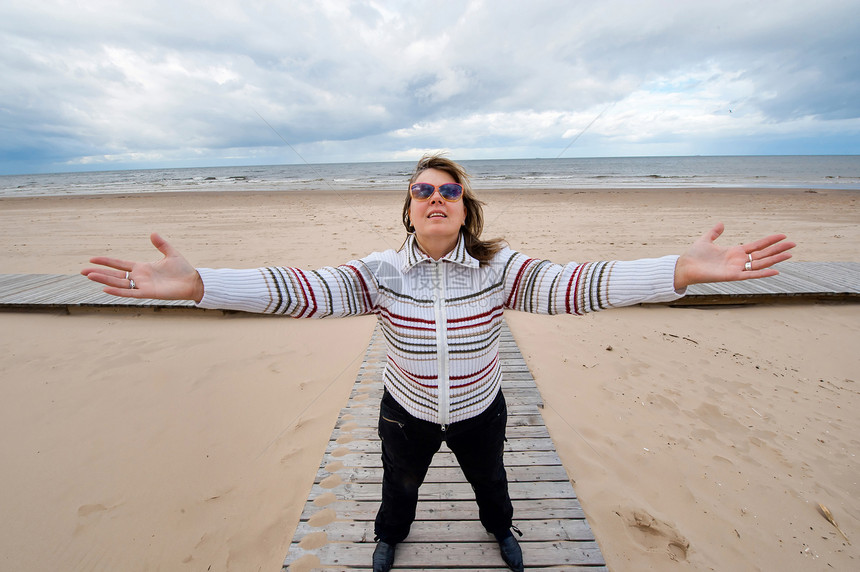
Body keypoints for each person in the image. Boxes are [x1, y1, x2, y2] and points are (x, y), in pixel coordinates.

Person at [82, 154, 795, 572]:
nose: (434, 198)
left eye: (447, 190)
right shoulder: (381, 273)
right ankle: (389, 539)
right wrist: (202, 285)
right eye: (421, 190)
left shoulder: (500, 269)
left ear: (465, 210)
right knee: (399, 488)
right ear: (408, 209)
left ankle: (500, 530)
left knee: (493, 481)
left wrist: (678, 272)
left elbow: (579, 285)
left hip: (483, 405)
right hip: (405, 409)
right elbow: (300, 289)